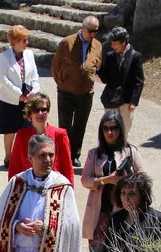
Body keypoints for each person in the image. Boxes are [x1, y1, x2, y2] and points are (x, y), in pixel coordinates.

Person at [81, 111, 145, 252]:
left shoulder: (130, 151)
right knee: (97, 250)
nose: (110, 132)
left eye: (114, 128)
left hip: (122, 211)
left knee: (119, 248)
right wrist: (105, 180)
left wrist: (126, 180)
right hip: (100, 210)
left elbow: (143, 176)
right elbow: (85, 180)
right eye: (106, 128)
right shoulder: (94, 153)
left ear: (120, 129)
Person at [51, 15, 102, 168]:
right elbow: (55, 65)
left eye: (96, 31)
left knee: (80, 125)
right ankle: (62, 154)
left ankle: (75, 155)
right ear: (82, 28)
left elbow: (97, 66)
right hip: (66, 92)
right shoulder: (67, 43)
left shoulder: (98, 45)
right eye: (90, 31)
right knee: (65, 125)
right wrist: (61, 83)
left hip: (86, 94)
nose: (92, 34)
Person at [7, 92, 75, 184]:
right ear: (30, 113)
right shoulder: (22, 135)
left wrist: (69, 191)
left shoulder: (60, 134)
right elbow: (14, 166)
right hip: (28, 187)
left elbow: (68, 168)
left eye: (44, 109)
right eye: (36, 110)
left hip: (53, 187)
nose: (40, 113)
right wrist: (13, 189)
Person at [0, 24, 40, 167]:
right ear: (14, 42)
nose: (26, 43)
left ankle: (25, 158)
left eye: (27, 39)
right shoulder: (4, 56)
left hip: (28, 99)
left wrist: (34, 90)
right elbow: (3, 79)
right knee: (10, 130)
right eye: (23, 40)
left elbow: (34, 75)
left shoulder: (30, 54)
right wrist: (18, 94)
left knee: (27, 129)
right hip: (10, 99)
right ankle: (8, 158)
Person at [97, 27, 145, 137]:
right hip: (111, 99)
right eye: (111, 43)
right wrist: (99, 69)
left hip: (127, 101)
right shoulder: (110, 56)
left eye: (115, 43)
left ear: (123, 42)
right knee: (110, 130)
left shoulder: (135, 57)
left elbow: (139, 81)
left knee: (123, 132)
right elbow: (106, 80)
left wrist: (134, 101)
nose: (112, 46)